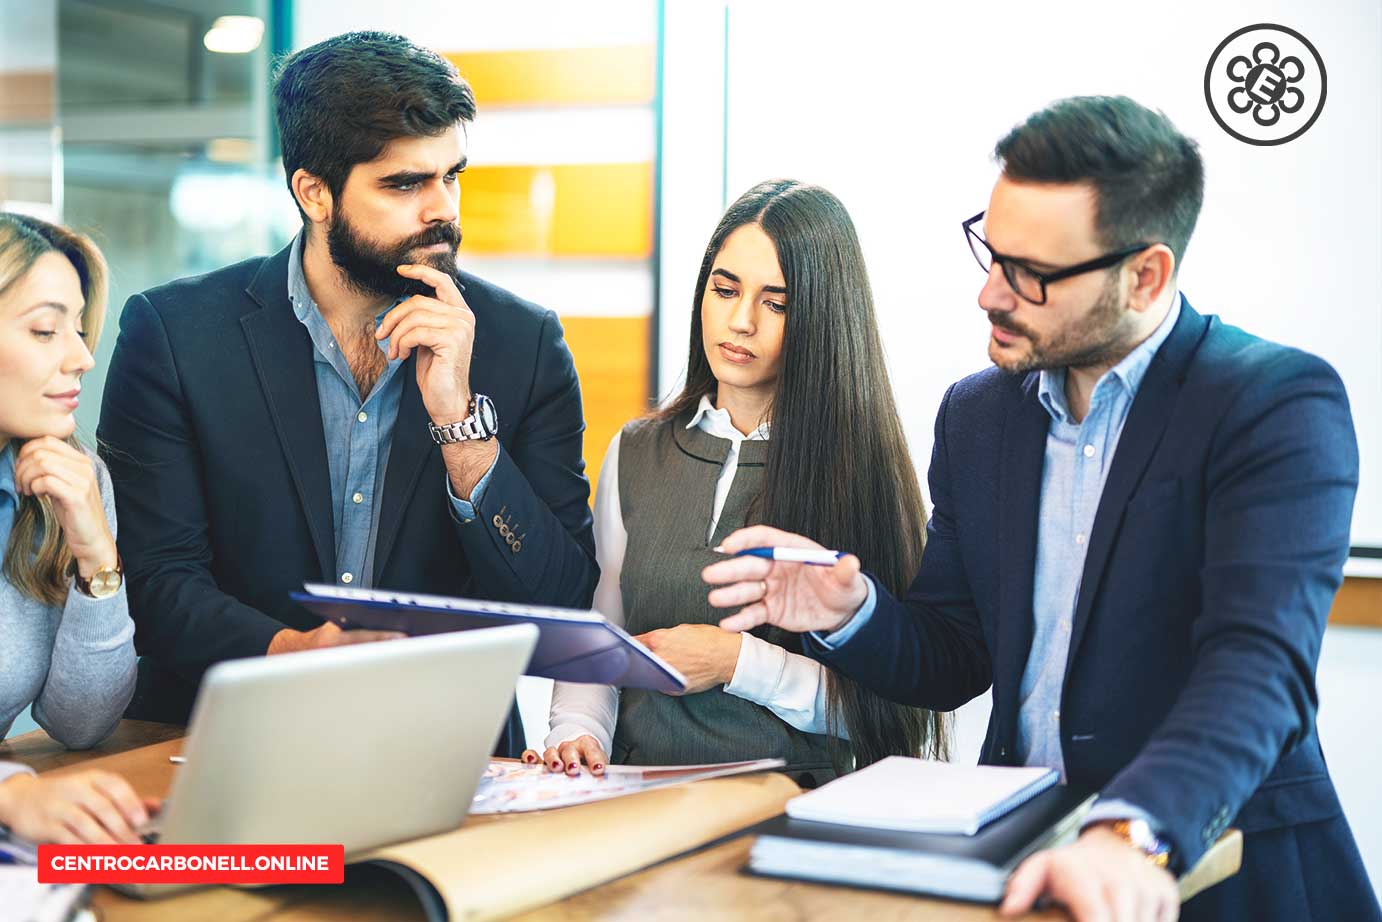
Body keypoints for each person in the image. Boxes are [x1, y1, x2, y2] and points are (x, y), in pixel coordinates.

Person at [705, 97, 1378, 922]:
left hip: (1213, 874)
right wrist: (853, 614)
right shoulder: (980, 415)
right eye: (990, 251)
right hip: (1023, 866)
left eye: (1031, 274)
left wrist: (1131, 835)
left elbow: (1257, 670)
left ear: (1146, 276)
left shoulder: (1272, 405)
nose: (990, 293)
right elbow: (955, 658)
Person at [97, 32, 598, 745]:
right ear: (313, 192)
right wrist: (297, 656)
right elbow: (153, 579)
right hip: (217, 738)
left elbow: (561, 601)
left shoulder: (523, 346)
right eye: (404, 184)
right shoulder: (176, 334)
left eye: (450, 176)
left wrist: (462, 431)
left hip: (445, 751)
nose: (441, 210)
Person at [530, 181, 946, 785]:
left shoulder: (859, 468)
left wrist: (737, 662)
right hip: (631, 802)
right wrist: (577, 733)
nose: (741, 321)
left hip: (787, 810)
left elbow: (895, 710)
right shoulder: (637, 449)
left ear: (822, 321)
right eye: (725, 290)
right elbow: (604, 635)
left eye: (776, 303)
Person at [0, 212, 154, 844]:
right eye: (45, 329)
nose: (83, 356)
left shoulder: (70, 480)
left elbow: (80, 723)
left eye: (78, 326)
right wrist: (13, 795)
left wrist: (96, 553)